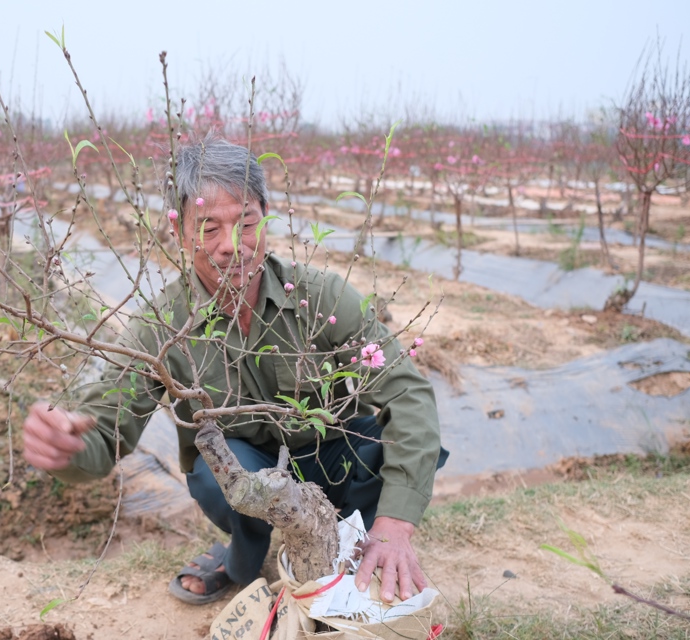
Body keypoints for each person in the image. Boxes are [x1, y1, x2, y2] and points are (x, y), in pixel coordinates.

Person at [22, 135, 446, 606]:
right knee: (215, 469)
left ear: (266, 215)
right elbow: (106, 428)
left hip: (329, 459)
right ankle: (244, 558)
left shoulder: (320, 298)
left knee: (388, 440)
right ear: (178, 230)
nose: (231, 247)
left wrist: (396, 525)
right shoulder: (161, 327)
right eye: (207, 228)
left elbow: (408, 394)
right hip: (244, 480)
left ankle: (357, 545)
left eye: (246, 223)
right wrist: (71, 446)